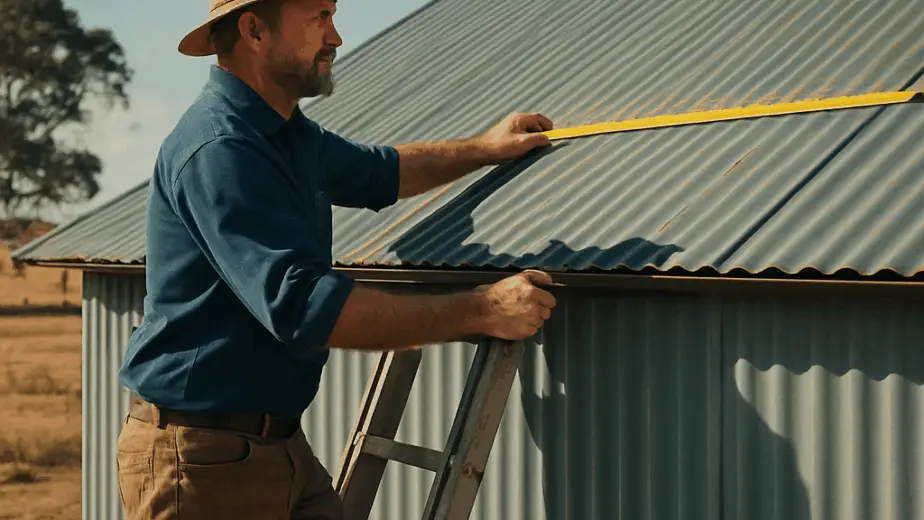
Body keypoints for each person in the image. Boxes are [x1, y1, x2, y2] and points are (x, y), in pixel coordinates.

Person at [115, 0, 557, 518]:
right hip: (200, 461)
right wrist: (482, 310)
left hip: (274, 445)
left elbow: (382, 172)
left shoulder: (288, 135)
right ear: (255, 29)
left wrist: (485, 147)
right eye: (319, 17)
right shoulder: (221, 148)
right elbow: (304, 307)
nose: (337, 37)